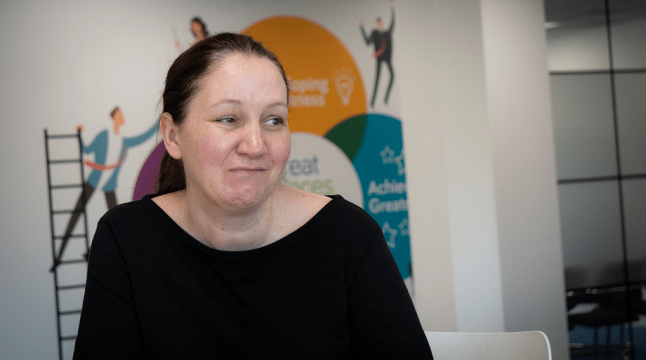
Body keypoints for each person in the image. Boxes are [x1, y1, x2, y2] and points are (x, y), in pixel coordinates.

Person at [73, 33, 432, 359]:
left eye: (274, 120)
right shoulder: (127, 239)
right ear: (172, 136)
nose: (256, 145)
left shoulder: (350, 237)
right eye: (229, 119)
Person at [50, 107, 157, 271]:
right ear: (115, 117)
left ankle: (93, 253)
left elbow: (144, 137)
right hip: (93, 181)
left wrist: (161, 118)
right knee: (76, 215)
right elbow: (86, 150)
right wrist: (79, 135)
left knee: (117, 222)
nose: (123, 117)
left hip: (109, 186)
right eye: (121, 115)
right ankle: (59, 257)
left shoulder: (123, 142)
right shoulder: (103, 136)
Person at [360, 0, 395, 109]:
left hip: (387, 58)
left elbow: (393, 23)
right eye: (378, 23)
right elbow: (367, 42)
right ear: (377, 24)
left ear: (382, 24)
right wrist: (362, 28)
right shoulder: (374, 33)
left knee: (392, 76)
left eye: (382, 23)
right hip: (379, 59)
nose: (380, 24)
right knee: (377, 80)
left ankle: (386, 98)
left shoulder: (386, 33)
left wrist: (392, 7)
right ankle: (372, 102)